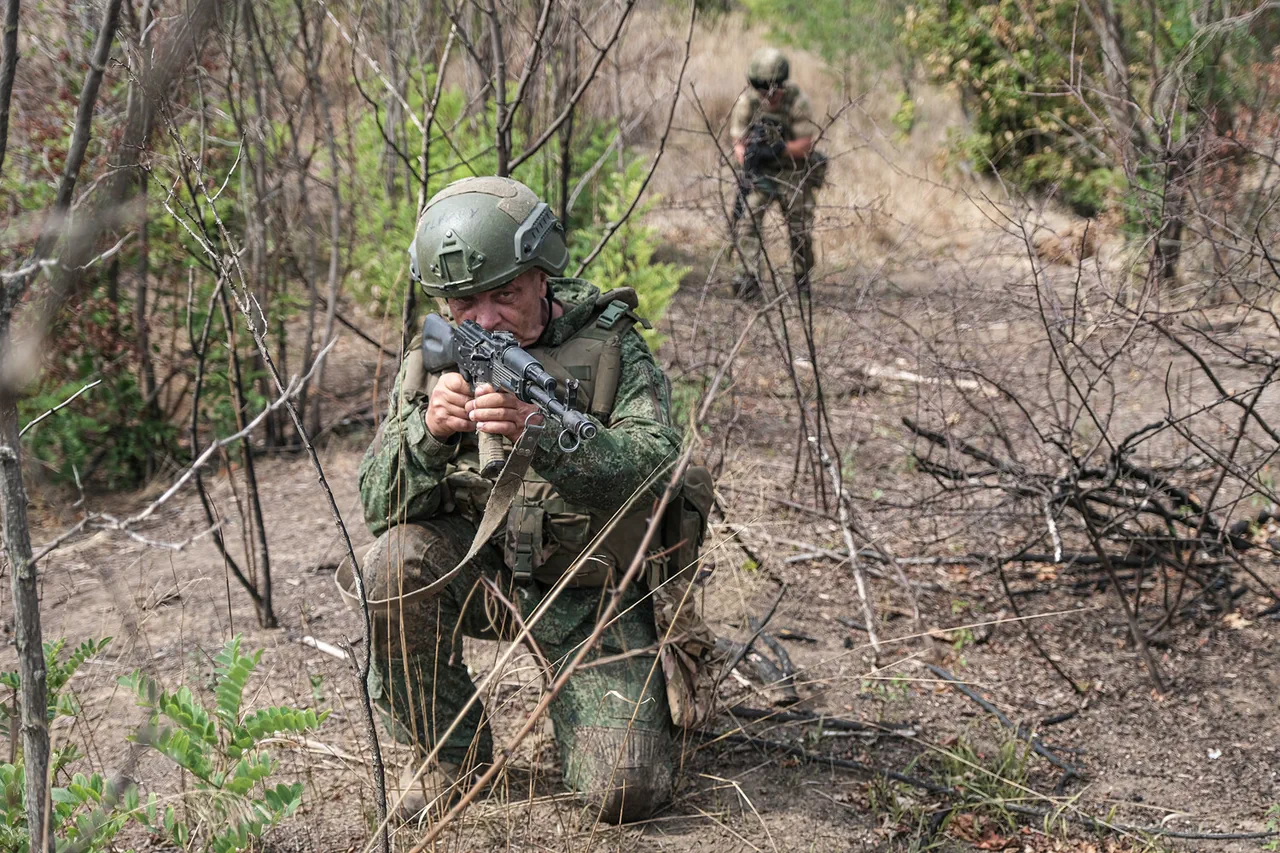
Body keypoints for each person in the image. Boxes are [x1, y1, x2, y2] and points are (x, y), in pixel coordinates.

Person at [342, 176, 704, 825]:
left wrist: (550, 437)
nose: (483, 319)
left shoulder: (610, 347)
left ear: (542, 274)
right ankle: (452, 753)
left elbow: (655, 469)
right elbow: (376, 505)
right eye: (462, 303)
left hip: (590, 594)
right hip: (483, 579)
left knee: (629, 788)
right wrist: (428, 432)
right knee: (392, 560)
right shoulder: (429, 363)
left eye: (504, 294)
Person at [728, 46, 825, 300]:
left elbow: (805, 145)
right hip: (760, 173)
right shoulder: (747, 102)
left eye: (772, 91)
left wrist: (778, 150)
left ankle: (802, 278)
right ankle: (748, 280)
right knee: (747, 222)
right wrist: (750, 154)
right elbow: (738, 142)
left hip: (793, 171)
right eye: (763, 92)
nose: (768, 97)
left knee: (799, 228)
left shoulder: (797, 101)